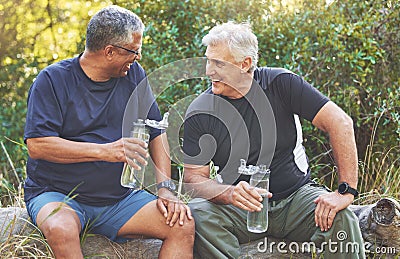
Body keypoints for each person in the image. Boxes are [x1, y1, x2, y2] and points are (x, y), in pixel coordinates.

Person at [183, 21, 365, 258]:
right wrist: (229, 193)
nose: (209, 70)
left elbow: (340, 123)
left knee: (341, 217)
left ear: (244, 64)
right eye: (208, 61)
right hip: (239, 210)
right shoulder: (201, 111)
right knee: (198, 213)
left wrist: (345, 192)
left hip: (295, 200)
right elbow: (194, 178)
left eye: (218, 63)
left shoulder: (281, 83)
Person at [24, 5, 194, 259]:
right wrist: (106, 151)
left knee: (182, 224)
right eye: (133, 51)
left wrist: (165, 188)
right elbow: (38, 145)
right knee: (60, 228)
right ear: (110, 51)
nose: (137, 58)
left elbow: (156, 131)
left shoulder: (134, 75)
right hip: (58, 194)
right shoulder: (52, 80)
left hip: (118, 200)